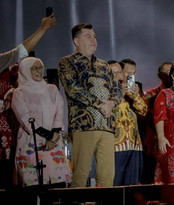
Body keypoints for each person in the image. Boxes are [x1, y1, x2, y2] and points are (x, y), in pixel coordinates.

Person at [58, 24, 123, 188]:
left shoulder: (104, 65)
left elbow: (116, 88)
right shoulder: (68, 62)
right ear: (76, 40)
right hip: (84, 124)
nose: (93, 40)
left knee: (107, 176)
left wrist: (112, 103)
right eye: (88, 36)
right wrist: (100, 105)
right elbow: (73, 89)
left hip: (107, 125)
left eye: (94, 36)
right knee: (81, 175)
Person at [11, 57, 70, 186]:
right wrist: (49, 136)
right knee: (33, 182)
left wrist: (54, 135)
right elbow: (26, 119)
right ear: (25, 71)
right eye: (34, 68)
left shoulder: (52, 89)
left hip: (53, 142)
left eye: (40, 67)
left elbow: (59, 112)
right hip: (31, 139)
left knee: (56, 182)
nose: (39, 71)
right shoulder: (19, 93)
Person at [108, 61, 147, 186]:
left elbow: (144, 111)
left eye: (119, 72)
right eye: (114, 73)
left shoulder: (132, 90)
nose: (118, 76)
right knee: (116, 183)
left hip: (135, 145)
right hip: (116, 145)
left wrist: (136, 96)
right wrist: (119, 94)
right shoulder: (106, 91)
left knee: (133, 185)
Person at [141, 61, 172, 184]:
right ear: (160, 75)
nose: (170, 75)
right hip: (154, 143)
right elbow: (143, 114)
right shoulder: (151, 94)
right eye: (167, 72)